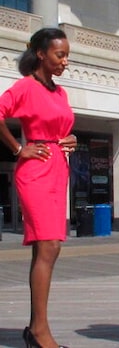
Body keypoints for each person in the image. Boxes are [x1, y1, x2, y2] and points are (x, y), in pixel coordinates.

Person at [0, 28, 76, 348]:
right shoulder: (24, 87)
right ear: (41, 54)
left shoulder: (60, 93)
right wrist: (18, 149)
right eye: (60, 55)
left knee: (49, 247)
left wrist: (69, 140)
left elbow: (63, 128)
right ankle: (40, 331)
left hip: (58, 169)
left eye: (67, 55)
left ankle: (35, 327)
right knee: (48, 246)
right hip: (34, 170)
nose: (65, 61)